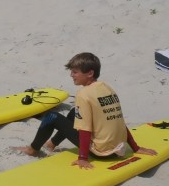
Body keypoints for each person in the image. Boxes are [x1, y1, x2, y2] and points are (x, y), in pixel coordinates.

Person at [14, 52, 157, 168]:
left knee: (52, 116)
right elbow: (119, 122)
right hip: (119, 149)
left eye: (75, 72)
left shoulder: (84, 94)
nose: (71, 75)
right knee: (73, 113)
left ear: (89, 73)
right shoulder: (108, 89)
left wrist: (83, 158)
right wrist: (136, 148)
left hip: (101, 152)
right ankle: (51, 144)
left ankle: (32, 150)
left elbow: (85, 130)